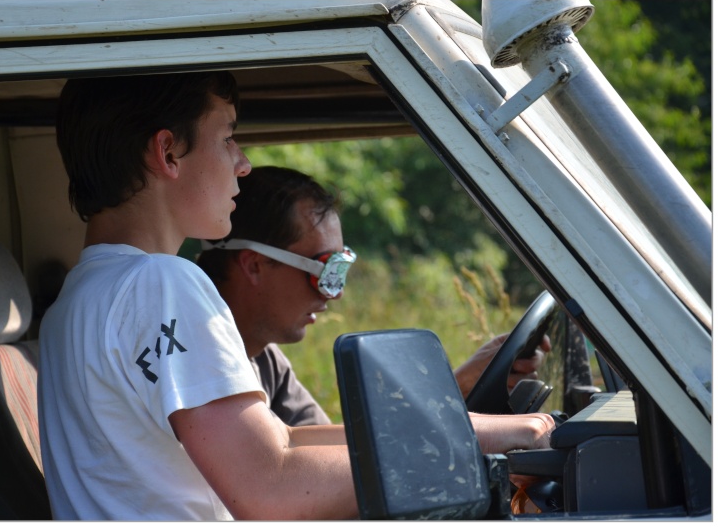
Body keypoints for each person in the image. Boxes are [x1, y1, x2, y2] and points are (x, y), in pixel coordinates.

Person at [38, 72, 553, 521]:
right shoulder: (160, 283)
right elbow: (271, 488)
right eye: (228, 138)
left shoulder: (77, 300)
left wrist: (476, 428)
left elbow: (281, 441)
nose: (242, 164)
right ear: (168, 152)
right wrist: (462, 445)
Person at [197, 165, 551, 428]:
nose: (336, 295)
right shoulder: (199, 362)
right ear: (255, 265)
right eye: (325, 271)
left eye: (341, 269)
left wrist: (457, 386)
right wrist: (451, 390)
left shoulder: (264, 360)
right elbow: (304, 471)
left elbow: (334, 448)